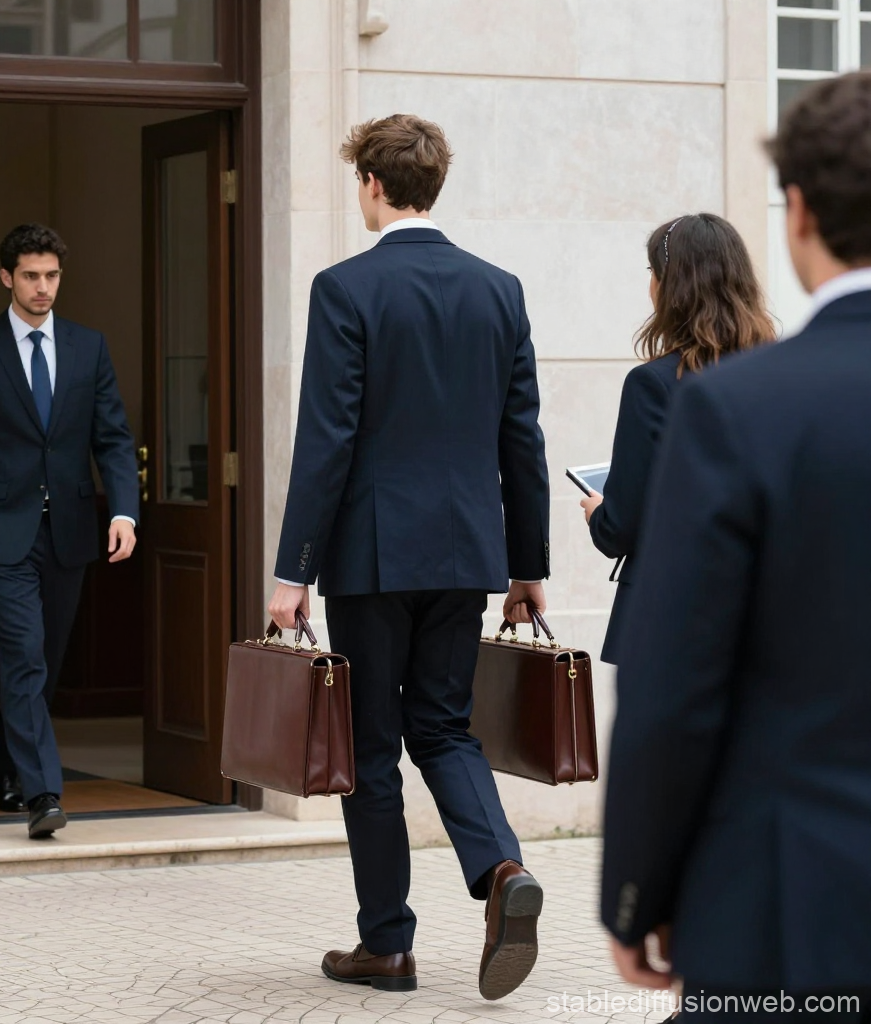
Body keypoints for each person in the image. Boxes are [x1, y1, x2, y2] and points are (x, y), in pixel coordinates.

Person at [601, 71, 871, 1020]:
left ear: (798, 210)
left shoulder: (731, 407)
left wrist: (637, 889)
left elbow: (675, 689)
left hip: (785, 887)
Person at [267, 115, 551, 1000]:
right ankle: (502, 870)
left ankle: (387, 944)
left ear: (373, 186)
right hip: (468, 553)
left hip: (373, 557)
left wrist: (291, 571)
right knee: (445, 726)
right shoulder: (499, 290)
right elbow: (523, 441)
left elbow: (327, 442)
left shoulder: (345, 288)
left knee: (375, 744)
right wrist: (527, 564)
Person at [0, 224, 139, 838]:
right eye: (30, 276)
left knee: (42, 659)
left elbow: (113, 436)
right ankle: (42, 792)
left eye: (51, 275)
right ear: (6, 278)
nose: (42, 287)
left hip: (70, 531)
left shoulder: (88, 347)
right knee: (23, 655)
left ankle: (1, 762)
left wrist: (123, 511)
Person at [581, 214, 773, 666]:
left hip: (673, 616)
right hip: (764, 612)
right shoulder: (778, 375)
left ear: (671, 286)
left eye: (653, 273)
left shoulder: (653, 384)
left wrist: (597, 514)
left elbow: (622, 526)